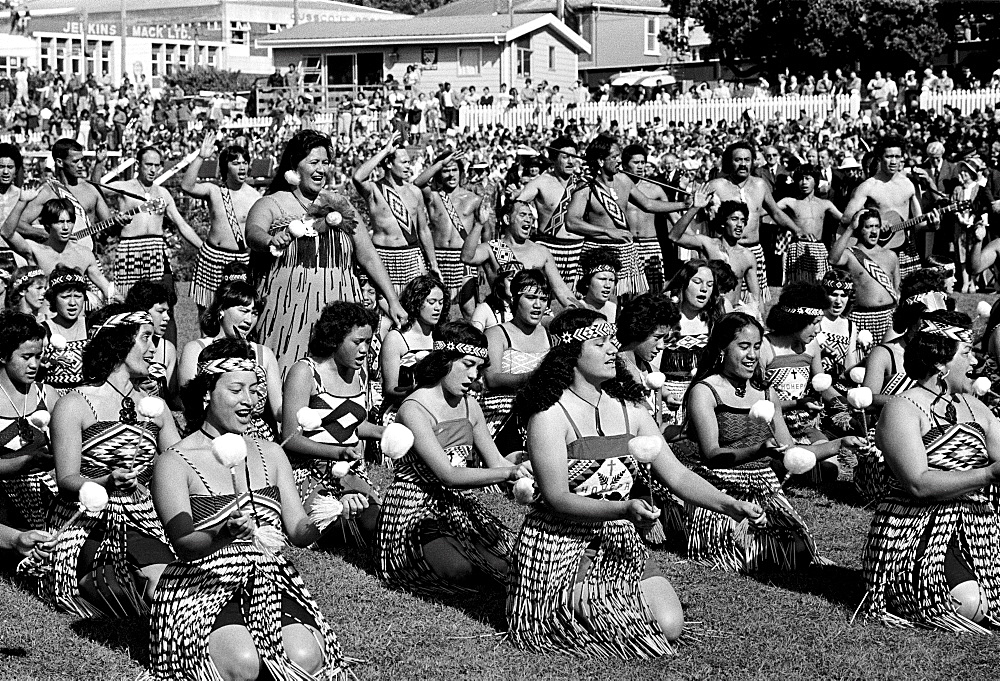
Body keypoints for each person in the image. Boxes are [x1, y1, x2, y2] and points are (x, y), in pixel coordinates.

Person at [506, 308, 765, 657]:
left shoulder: (632, 408)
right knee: (624, 623)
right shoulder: (549, 414)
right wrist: (624, 508)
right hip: (564, 542)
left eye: (612, 341)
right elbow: (557, 498)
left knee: (669, 625)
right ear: (571, 354)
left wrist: (728, 504)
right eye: (600, 343)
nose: (613, 349)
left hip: (619, 537)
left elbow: (676, 474)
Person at [150, 339, 347, 679]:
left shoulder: (271, 452)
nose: (250, 401)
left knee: (305, 658)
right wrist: (223, 533)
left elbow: (298, 531)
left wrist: (327, 515)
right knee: (243, 664)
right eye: (236, 390)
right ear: (207, 392)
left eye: (255, 390)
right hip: (201, 584)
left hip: (269, 577)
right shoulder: (174, 461)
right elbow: (183, 544)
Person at [860, 311, 1000, 632]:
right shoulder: (902, 409)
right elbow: (918, 483)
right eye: (966, 353)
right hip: (917, 536)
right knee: (973, 605)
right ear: (941, 362)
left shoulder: (974, 406)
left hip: (975, 529)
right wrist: (988, 475)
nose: (975, 362)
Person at [683, 312, 857, 571]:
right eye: (743, 347)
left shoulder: (766, 392)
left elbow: (791, 452)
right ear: (722, 348)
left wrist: (840, 443)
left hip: (765, 484)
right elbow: (711, 453)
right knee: (752, 553)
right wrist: (758, 449)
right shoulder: (705, 391)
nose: (752, 355)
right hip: (720, 488)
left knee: (798, 551)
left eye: (756, 346)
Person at [38, 305, 180, 618]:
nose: (154, 349)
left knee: (166, 587)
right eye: (146, 339)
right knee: (129, 593)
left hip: (144, 518)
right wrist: (106, 481)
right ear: (119, 344)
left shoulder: (154, 407)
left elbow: (180, 465)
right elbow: (67, 480)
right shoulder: (75, 403)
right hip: (89, 522)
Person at [375, 321, 526, 597]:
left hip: (457, 506)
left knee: (506, 564)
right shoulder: (413, 409)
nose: (473, 375)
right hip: (415, 509)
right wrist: (508, 474)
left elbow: (496, 462)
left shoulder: (471, 404)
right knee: (460, 570)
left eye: (479, 368)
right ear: (443, 360)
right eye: (467, 364)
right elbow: (449, 475)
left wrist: (528, 468)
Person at [246, 130, 405, 374]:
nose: (321, 169)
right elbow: (253, 232)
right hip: (286, 311)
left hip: (338, 308)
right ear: (294, 166)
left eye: (325, 162)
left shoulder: (340, 204)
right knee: (287, 375)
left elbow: (368, 255)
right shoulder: (271, 203)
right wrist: (270, 240)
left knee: (337, 375)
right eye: (314, 162)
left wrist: (392, 300)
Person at [281, 302, 383, 547]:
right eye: (357, 342)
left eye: (368, 342)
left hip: (349, 469)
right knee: (336, 525)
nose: (364, 349)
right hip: (308, 471)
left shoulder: (359, 373)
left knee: (376, 520)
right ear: (335, 338)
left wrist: (386, 433)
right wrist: (337, 452)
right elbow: (290, 438)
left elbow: (354, 425)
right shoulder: (305, 372)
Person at [566, 134, 685, 298]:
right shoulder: (586, 186)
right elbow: (571, 222)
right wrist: (607, 231)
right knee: (606, 302)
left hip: (625, 250)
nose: (618, 161)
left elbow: (648, 204)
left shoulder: (623, 180)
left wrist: (684, 205)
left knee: (636, 300)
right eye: (614, 157)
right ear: (601, 161)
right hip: (598, 251)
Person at [179, 280, 281, 441]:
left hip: (257, 438)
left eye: (254, 313)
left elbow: (278, 410)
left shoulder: (264, 354)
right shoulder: (196, 349)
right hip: (208, 434)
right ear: (221, 310)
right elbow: (191, 403)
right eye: (243, 311)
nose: (249, 320)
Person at [703, 141, 801, 300]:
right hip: (726, 251)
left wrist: (798, 230)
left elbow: (776, 213)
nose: (743, 164)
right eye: (738, 160)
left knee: (755, 302)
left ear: (753, 162)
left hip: (754, 250)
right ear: (729, 162)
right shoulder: (716, 185)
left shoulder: (760, 185)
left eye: (747, 160)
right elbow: (698, 213)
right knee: (723, 300)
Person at [105, 146, 202, 305]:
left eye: (156, 165)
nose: (152, 170)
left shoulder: (163, 193)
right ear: (138, 164)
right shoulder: (124, 187)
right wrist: (99, 164)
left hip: (156, 251)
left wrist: (203, 248)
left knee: (161, 304)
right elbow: (94, 190)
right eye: (148, 164)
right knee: (128, 302)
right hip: (130, 250)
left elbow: (181, 224)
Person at [181, 133, 258, 312]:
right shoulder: (214, 190)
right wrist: (201, 157)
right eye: (236, 163)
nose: (242, 167)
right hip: (211, 258)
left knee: (238, 311)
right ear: (225, 166)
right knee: (208, 312)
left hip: (240, 261)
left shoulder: (255, 197)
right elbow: (187, 186)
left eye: (245, 163)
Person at [759, 283, 837, 458]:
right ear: (797, 320)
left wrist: (844, 405)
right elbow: (759, 400)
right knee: (789, 461)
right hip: (772, 426)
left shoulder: (812, 346)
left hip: (804, 424)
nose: (818, 330)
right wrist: (798, 403)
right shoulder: (765, 347)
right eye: (815, 323)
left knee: (830, 466)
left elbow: (823, 388)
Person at [352, 132, 438, 293]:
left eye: (409, 162)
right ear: (390, 164)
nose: (408, 166)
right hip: (383, 255)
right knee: (384, 305)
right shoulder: (374, 190)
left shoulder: (415, 192)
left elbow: (423, 229)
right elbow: (358, 177)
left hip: (411, 255)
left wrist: (433, 263)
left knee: (414, 305)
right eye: (404, 162)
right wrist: (385, 151)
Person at [840, 136, 933, 279]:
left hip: (905, 250)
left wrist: (934, 224)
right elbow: (846, 218)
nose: (894, 161)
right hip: (876, 249)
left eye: (897, 156)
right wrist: (876, 222)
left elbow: (918, 224)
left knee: (909, 295)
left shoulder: (909, 184)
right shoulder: (868, 186)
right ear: (880, 157)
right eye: (889, 157)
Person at [0, 311, 59, 530]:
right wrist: (25, 462)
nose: (34, 364)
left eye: (39, 356)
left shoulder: (48, 395)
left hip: (47, 498)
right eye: (26, 357)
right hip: (4, 505)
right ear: (3, 355)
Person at [1, 196, 116, 308]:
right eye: (60, 222)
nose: (66, 227)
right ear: (48, 224)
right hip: (44, 316)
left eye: (69, 222)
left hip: (76, 318)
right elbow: (6, 232)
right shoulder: (36, 251)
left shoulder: (84, 254)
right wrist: (22, 201)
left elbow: (108, 290)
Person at [481, 270, 550, 456]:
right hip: (505, 411)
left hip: (544, 408)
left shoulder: (550, 331)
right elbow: (492, 379)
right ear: (515, 299)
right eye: (530, 297)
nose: (537, 305)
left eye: (543, 299)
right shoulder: (496, 334)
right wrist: (532, 378)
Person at [462, 200, 577, 310]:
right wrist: (479, 224)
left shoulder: (541, 251)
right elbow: (467, 257)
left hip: (535, 315)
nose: (528, 220)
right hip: (503, 314)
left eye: (530, 216)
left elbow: (561, 290)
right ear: (507, 219)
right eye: (522, 215)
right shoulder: (491, 248)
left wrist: (580, 310)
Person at [413, 149, 485, 318]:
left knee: (469, 310)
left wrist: (482, 263)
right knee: (438, 309)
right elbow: (418, 183)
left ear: (461, 173)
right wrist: (440, 164)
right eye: (446, 170)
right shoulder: (434, 197)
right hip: (438, 258)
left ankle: (473, 342)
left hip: (464, 258)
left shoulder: (473, 199)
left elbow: (484, 233)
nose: (451, 175)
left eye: (454, 170)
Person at [669, 197, 761, 313]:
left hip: (730, 316)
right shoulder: (708, 244)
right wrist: (695, 207)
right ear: (723, 222)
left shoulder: (748, 256)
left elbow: (755, 298)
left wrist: (760, 321)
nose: (739, 225)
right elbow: (674, 237)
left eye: (743, 221)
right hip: (705, 312)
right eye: (734, 219)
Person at [378, 275, 445, 430]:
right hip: (402, 412)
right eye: (431, 302)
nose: (438, 308)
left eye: (441, 303)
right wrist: (414, 388)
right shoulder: (396, 338)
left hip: (438, 411)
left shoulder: (442, 335)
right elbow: (389, 389)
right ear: (416, 301)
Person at [516, 137, 585, 287]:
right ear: (554, 159)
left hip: (578, 248)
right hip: (549, 247)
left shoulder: (583, 184)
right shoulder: (540, 182)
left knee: (578, 300)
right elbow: (518, 206)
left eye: (574, 157)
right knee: (543, 298)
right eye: (565, 157)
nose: (571, 162)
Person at [830, 209, 899, 349]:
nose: (874, 232)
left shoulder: (891, 255)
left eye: (876, 226)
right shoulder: (850, 254)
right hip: (862, 318)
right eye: (868, 227)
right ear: (859, 229)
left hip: (889, 318)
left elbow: (898, 287)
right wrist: (849, 228)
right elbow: (832, 258)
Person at [777, 164, 843, 285]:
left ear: (816, 181)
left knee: (819, 287)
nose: (804, 182)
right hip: (798, 248)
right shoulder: (790, 202)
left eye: (808, 178)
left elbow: (844, 219)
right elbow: (769, 210)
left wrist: (861, 213)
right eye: (800, 179)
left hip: (819, 248)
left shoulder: (825, 204)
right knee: (798, 287)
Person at [623, 144, 672, 293]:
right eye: (635, 163)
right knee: (627, 293)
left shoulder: (654, 188)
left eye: (643, 162)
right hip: (627, 245)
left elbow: (674, 217)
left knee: (653, 292)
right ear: (625, 165)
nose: (640, 167)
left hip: (651, 245)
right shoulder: (617, 188)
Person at [125, 281, 176, 401]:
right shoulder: (124, 345)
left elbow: (172, 396)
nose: (167, 317)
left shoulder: (167, 349)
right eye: (160, 311)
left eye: (167, 312)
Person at [39, 266, 88, 391]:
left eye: (77, 296)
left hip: (89, 399)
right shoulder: (43, 330)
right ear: (54, 298)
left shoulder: (92, 327)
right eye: (65, 297)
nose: (72, 303)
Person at [817, 270, 860, 378]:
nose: (838, 301)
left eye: (844, 295)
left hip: (840, 382)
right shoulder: (815, 321)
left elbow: (850, 364)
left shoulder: (850, 326)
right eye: (834, 294)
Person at [471, 261, 520, 331]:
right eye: (510, 280)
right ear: (501, 282)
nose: (515, 285)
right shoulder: (485, 309)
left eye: (519, 281)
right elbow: (473, 338)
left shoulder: (525, 309)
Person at [575, 247, 620, 320]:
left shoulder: (618, 311)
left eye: (611, 280)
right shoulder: (575, 310)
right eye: (602, 279)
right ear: (587, 282)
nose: (607, 285)